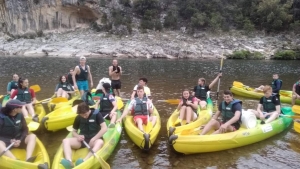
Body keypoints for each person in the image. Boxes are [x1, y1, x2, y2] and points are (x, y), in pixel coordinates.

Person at [61, 102, 107, 168]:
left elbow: (104, 128)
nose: (84, 117)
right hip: (83, 141)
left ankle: (85, 160)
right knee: (65, 141)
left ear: (89, 110)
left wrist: (94, 139)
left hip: (95, 139)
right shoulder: (78, 117)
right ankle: (69, 161)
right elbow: (74, 132)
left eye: (85, 114)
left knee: (100, 142)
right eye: (82, 115)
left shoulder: (97, 114)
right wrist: (78, 136)